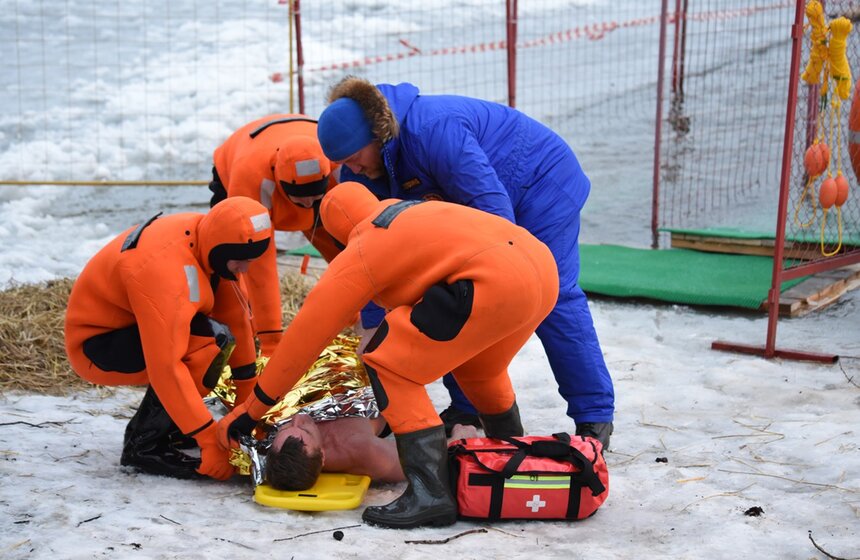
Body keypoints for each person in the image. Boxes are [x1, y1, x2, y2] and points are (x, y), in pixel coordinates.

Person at [218, 181, 559, 528]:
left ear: (339, 235)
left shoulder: (365, 244)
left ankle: (430, 494)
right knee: (481, 371)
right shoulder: (411, 211)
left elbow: (304, 337)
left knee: (387, 363)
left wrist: (252, 409)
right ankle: (513, 456)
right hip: (542, 270)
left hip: (492, 281)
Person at [314, 76, 616, 449]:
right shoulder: (362, 170)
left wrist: (489, 274)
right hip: (481, 200)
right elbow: (371, 250)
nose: (353, 170)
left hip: (541, 181)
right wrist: (374, 326)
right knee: (449, 299)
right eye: (343, 164)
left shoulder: (433, 130)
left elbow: (494, 212)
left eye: (354, 158)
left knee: (553, 295)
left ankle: (594, 416)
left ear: (376, 136)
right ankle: (466, 408)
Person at [64, 196, 273, 481]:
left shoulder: (213, 243)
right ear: (222, 250)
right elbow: (166, 367)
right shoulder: (164, 269)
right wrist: (208, 438)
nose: (245, 269)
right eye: (241, 261)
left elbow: (236, 318)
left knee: (215, 337)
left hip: (137, 328)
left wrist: (246, 401)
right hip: (97, 345)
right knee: (207, 344)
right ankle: (144, 446)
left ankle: (174, 426)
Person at [208, 114, 343, 357]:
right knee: (234, 261)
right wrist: (271, 340)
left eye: (315, 197)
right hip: (243, 157)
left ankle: (353, 313)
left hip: (304, 138)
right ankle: (240, 330)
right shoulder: (250, 178)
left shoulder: (339, 161)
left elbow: (355, 244)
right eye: (300, 198)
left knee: (339, 241)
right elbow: (259, 263)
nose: (308, 204)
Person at [264, 413, 479, 490]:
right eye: (305, 430)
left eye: (286, 428)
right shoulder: (358, 449)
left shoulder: (274, 434)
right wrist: (459, 439)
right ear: (323, 457)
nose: (297, 419)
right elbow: (425, 462)